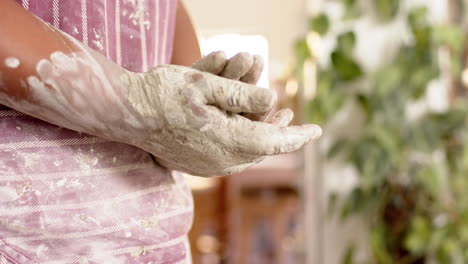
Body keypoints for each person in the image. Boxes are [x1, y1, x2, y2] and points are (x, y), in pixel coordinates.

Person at [0, 0, 322, 263]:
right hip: (24, 239)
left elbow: (164, 11)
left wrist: (204, 115)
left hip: (161, 238)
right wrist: (133, 101)